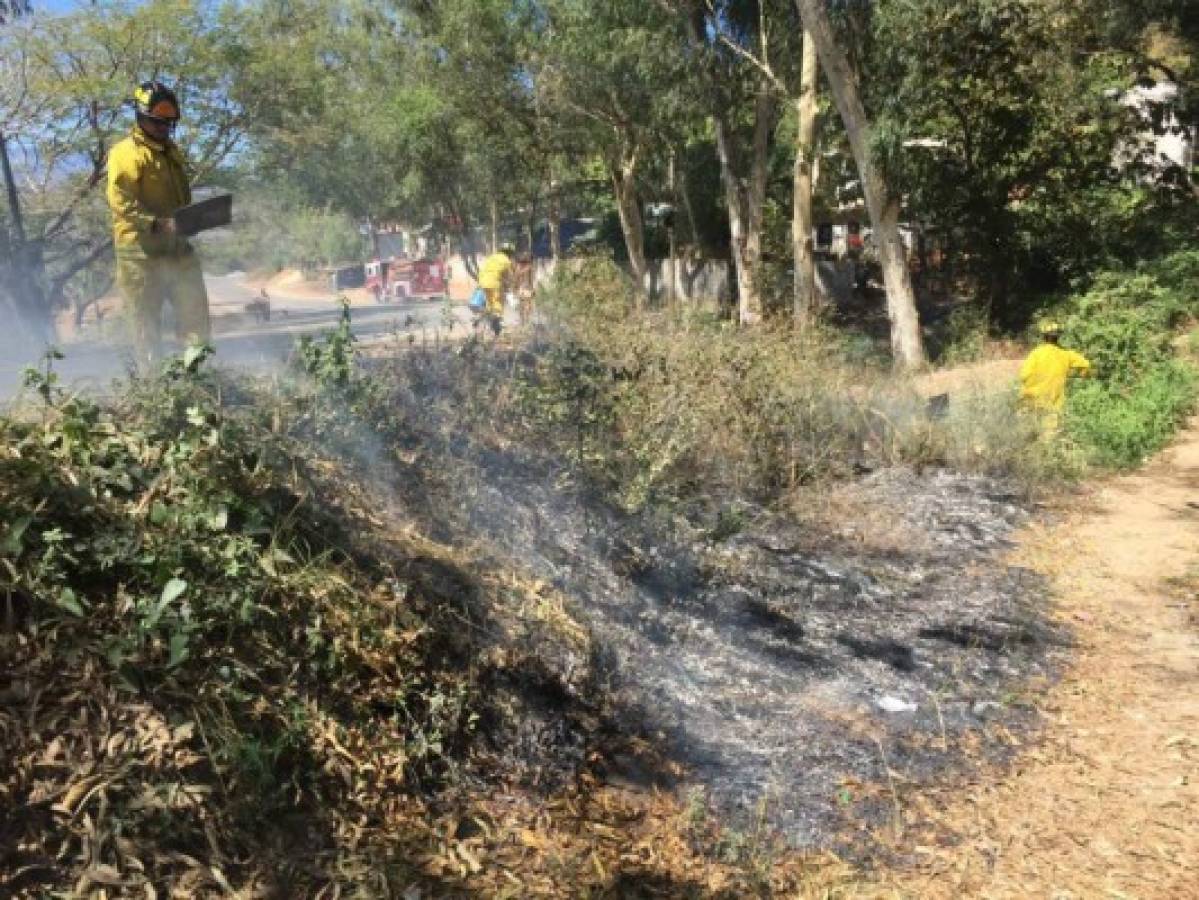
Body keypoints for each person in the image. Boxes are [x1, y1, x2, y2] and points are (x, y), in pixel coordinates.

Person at [106, 80, 210, 366]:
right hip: (140, 255)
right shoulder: (125, 153)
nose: (165, 127)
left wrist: (193, 219)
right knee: (145, 326)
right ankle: (155, 393)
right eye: (158, 121)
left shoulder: (171, 151)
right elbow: (121, 203)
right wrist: (157, 224)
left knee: (196, 318)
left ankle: (197, 379)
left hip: (177, 249)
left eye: (169, 122)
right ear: (142, 117)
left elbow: (180, 198)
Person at [1019, 321, 1091, 432]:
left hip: (1032, 399)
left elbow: (1024, 375)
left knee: (1026, 431)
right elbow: (1086, 365)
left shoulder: (1036, 353)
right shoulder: (1067, 354)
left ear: (1044, 336)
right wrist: (1080, 376)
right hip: (1053, 403)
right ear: (1058, 337)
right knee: (1049, 435)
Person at [475, 244, 514, 335]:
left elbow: (484, 269)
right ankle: (497, 323)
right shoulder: (506, 261)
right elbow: (508, 276)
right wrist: (509, 286)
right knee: (498, 303)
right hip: (494, 283)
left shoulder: (492, 257)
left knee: (490, 304)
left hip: (483, 282)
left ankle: (481, 318)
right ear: (510, 253)